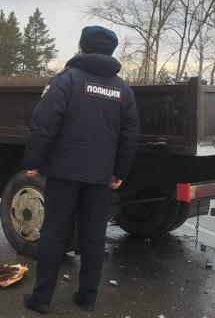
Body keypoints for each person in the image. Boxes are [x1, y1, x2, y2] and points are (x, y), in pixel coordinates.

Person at [22, 25, 140, 313]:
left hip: (63, 173)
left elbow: (43, 123)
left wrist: (33, 162)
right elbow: (130, 135)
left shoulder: (67, 80)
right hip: (100, 176)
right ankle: (87, 297)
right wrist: (120, 172)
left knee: (53, 234)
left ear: (82, 47)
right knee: (93, 237)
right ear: (111, 51)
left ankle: (41, 299)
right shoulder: (122, 89)